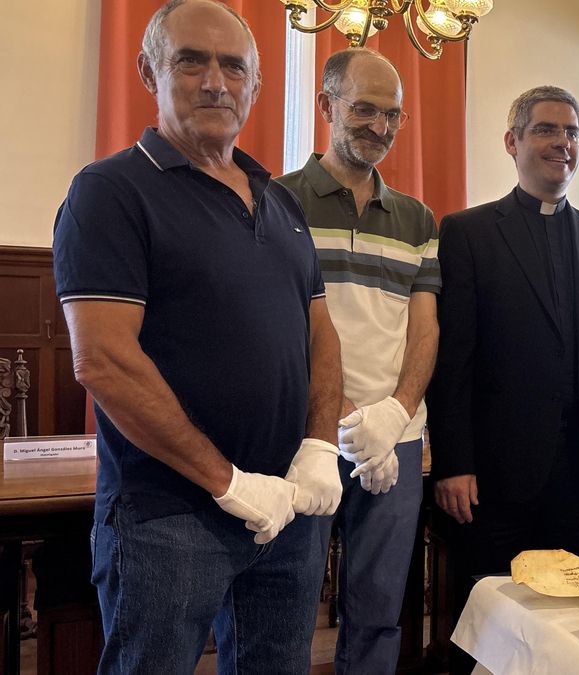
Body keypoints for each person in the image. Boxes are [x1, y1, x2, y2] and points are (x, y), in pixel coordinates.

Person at [51, 1, 343, 671]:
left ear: (255, 84)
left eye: (234, 67)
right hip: (168, 514)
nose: (216, 82)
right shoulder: (109, 192)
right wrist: (228, 482)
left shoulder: (281, 200)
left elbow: (321, 333)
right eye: (191, 61)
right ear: (148, 71)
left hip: (288, 507)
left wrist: (319, 446)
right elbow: (104, 360)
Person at [428, 85, 579, 674]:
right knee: (491, 624)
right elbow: (454, 360)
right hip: (493, 475)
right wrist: (453, 463)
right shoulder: (468, 232)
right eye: (546, 129)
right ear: (512, 141)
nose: (561, 142)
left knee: (564, 626)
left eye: (571, 132)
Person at [276, 48, 439, 673]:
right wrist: (345, 419)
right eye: (364, 109)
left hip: (397, 440)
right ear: (326, 105)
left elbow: (424, 330)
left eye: (392, 114)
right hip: (307, 433)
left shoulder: (417, 219)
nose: (380, 126)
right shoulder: (277, 200)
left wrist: (395, 415)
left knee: (378, 610)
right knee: (285, 605)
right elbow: (279, 326)